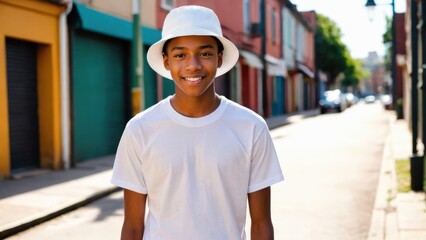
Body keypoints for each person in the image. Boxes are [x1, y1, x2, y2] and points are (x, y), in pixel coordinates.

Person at [111, 5, 284, 240]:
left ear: (219, 58)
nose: (193, 65)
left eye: (204, 53)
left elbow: (262, 224)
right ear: (166, 61)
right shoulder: (140, 129)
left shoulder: (251, 127)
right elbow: (132, 227)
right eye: (180, 55)